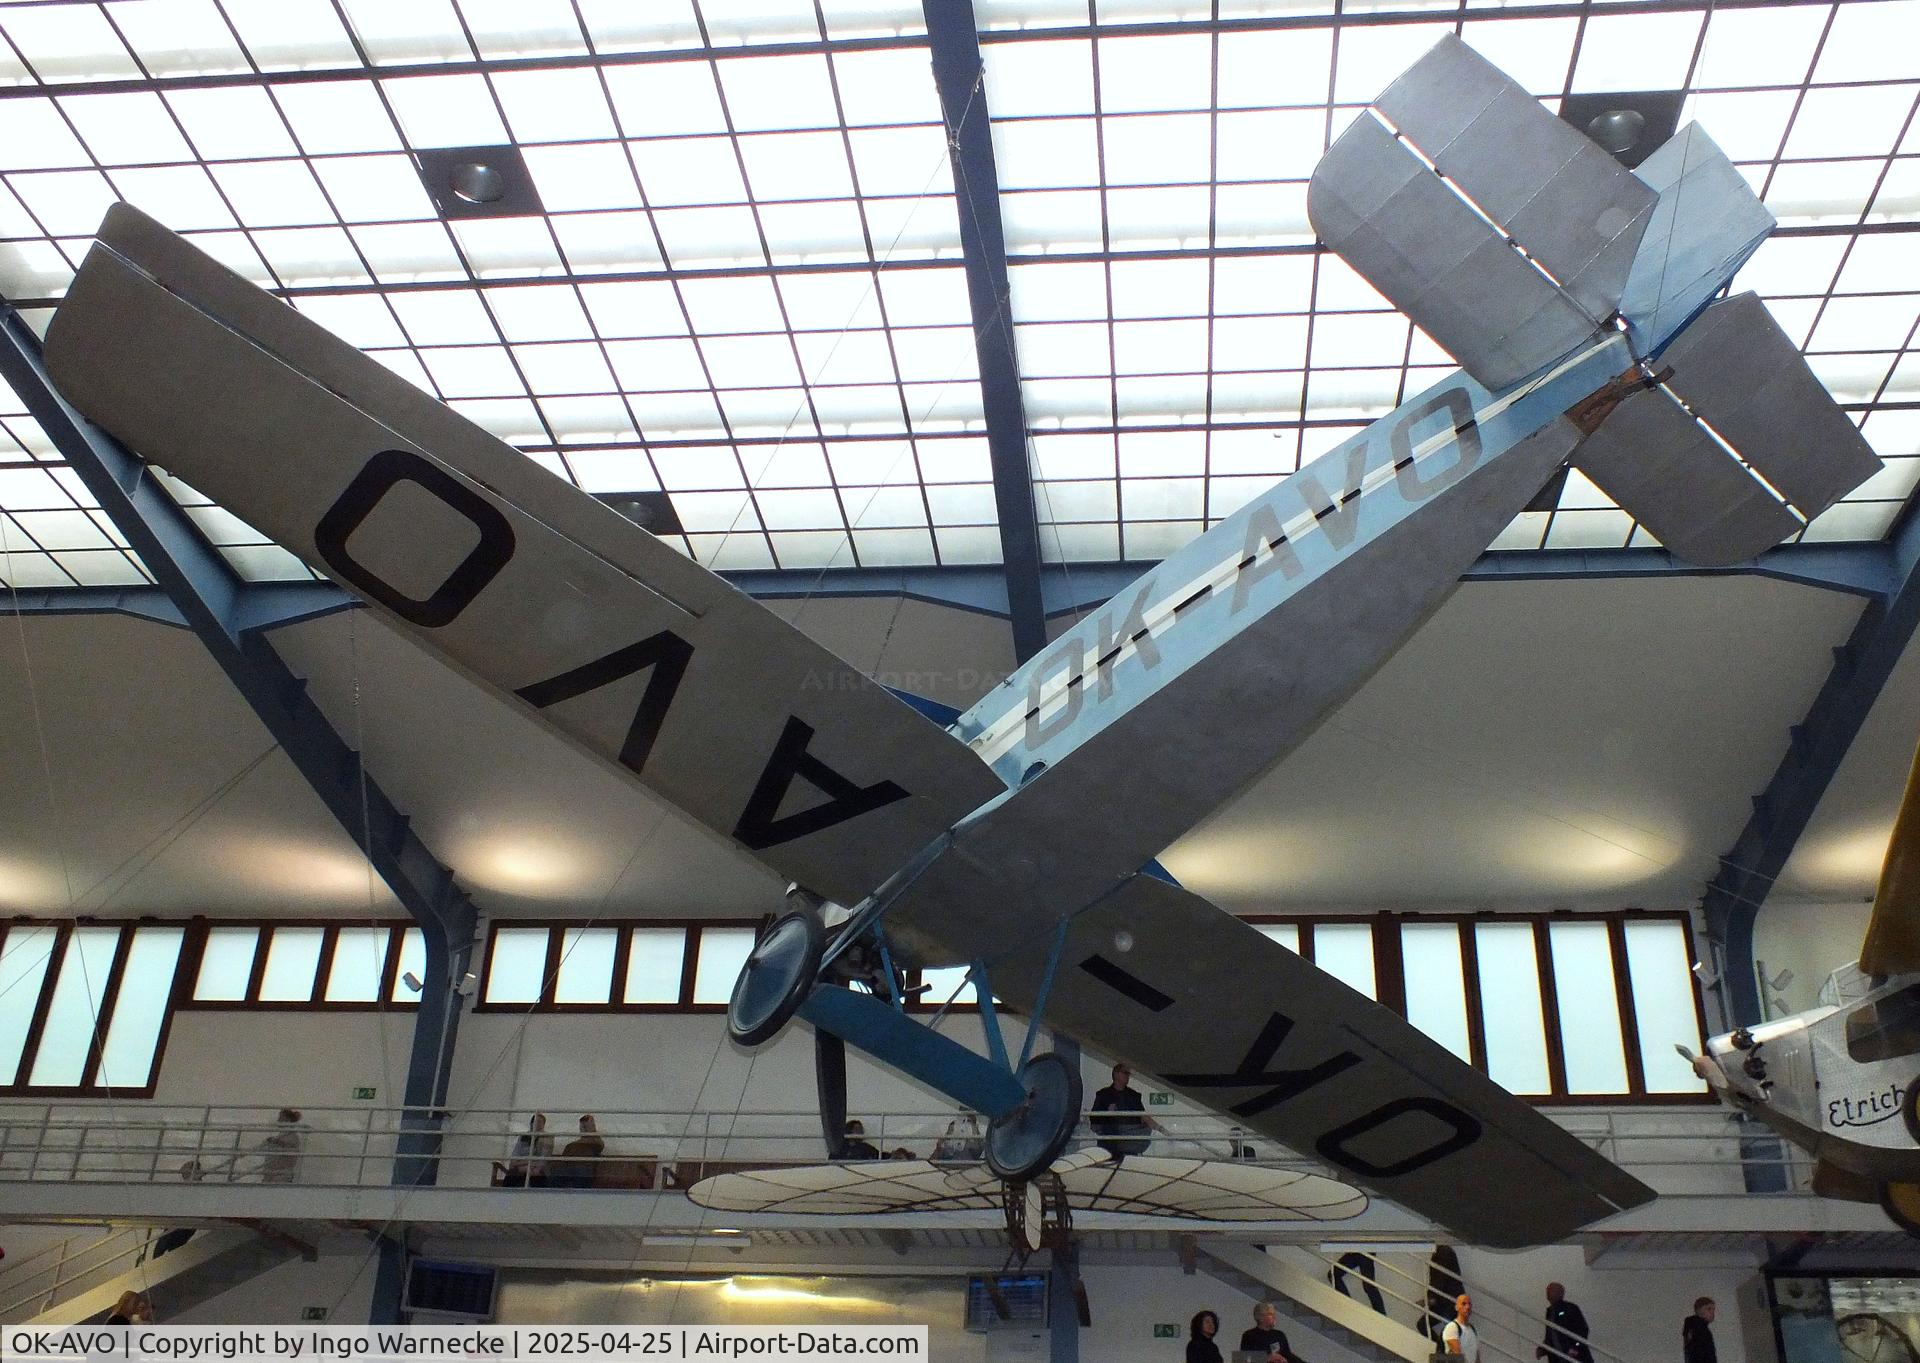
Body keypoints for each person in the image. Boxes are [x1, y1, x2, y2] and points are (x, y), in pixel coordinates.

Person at [1091, 1062, 1156, 1159]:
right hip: (1110, 1143)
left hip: (1130, 1143)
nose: (1127, 1076)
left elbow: (1142, 1114)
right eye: (1125, 1073)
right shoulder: (1103, 1095)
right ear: (1116, 1074)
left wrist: (1157, 1127)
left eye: (1128, 1074)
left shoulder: (1133, 1095)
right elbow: (1094, 1119)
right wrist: (1107, 1113)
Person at [1538, 1282, 1592, 1363]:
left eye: (1551, 1290)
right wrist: (1543, 1349)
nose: (1548, 1293)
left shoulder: (1570, 1308)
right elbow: (1550, 1335)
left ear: (1560, 1293)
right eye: (1548, 1290)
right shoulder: (1550, 1311)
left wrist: (1575, 1347)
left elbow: (1583, 1329)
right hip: (1557, 1358)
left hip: (1575, 1356)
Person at [550, 1115, 605, 1188]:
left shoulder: (595, 1142)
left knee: (580, 1171)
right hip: (569, 1169)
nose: (584, 1127)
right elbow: (563, 1162)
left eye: (586, 1125)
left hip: (584, 1170)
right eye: (583, 1125)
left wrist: (591, 1130)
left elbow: (599, 1145)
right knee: (556, 1171)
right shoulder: (571, 1146)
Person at [1426, 1245, 1464, 1342]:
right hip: (1447, 1301)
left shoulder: (1443, 1252)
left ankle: (1443, 1349)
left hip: (1448, 1302)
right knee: (1427, 1325)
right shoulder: (1443, 1251)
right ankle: (1443, 1348)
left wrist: (1431, 1297)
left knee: (1426, 1325)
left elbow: (1440, 1277)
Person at [501, 1113, 551, 1187]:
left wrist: (524, 1164)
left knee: (537, 1178)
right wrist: (525, 1165)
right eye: (535, 1121)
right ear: (531, 1123)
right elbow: (513, 1160)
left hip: (537, 1171)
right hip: (521, 1169)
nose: (537, 1124)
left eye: (540, 1122)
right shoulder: (523, 1137)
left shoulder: (547, 1138)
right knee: (511, 1177)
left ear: (544, 1124)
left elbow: (543, 1159)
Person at [258, 1107, 305, 1184]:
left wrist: (278, 1142)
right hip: (271, 1175)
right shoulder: (281, 1136)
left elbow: (290, 1151)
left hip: (281, 1176)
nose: (278, 1121)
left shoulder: (293, 1136)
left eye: (281, 1118)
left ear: (287, 1120)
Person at [1443, 1295, 1482, 1363]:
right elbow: (1458, 1354)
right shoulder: (1452, 1327)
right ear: (1457, 1307)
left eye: (1469, 1304)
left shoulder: (1473, 1330)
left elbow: (1476, 1356)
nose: (1467, 1307)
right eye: (1463, 1304)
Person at [1683, 1298, 1717, 1363]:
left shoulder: (1693, 1326)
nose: (1712, 1312)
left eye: (1713, 1309)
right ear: (1699, 1310)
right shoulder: (1699, 1327)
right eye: (1708, 1309)